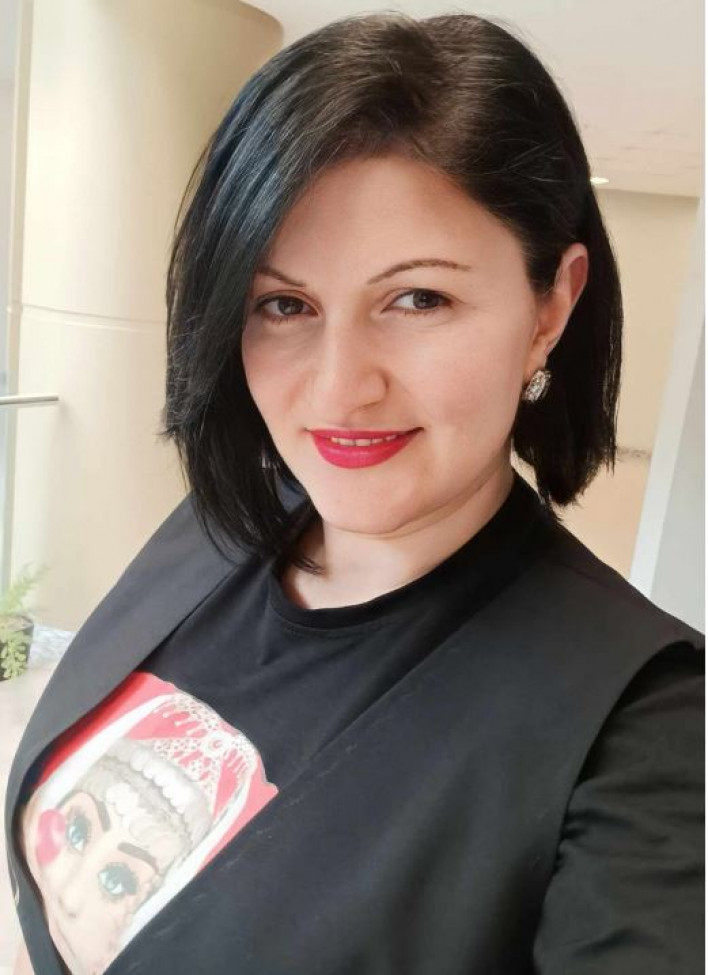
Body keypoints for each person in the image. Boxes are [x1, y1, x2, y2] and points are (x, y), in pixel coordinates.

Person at [7, 10, 703, 975]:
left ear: (551, 304)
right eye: (285, 304)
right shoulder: (220, 527)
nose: (339, 389)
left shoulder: (647, 730)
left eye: (418, 298)